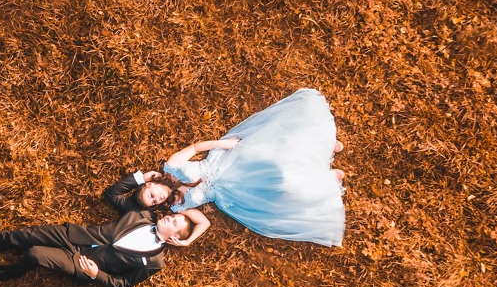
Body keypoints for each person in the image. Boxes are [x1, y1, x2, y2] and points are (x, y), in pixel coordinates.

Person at [104, 88, 346, 247]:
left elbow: (197, 147)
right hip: (232, 192)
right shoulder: (179, 206)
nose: (157, 198)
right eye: (155, 202)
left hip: (226, 163)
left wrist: (222, 144)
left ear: (151, 183)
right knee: (280, 186)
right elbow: (203, 223)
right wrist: (188, 241)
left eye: (151, 194)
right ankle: (324, 179)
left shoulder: (172, 164)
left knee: (275, 158)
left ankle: (322, 145)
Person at [0, 206, 210, 287]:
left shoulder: (155, 263)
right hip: (72, 235)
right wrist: (138, 179)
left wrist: (95, 273)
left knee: (34, 254)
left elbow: (123, 284)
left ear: (173, 238)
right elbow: (111, 195)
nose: (171, 216)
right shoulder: (142, 215)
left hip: (82, 261)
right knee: (17, 236)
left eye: (174, 221)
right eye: (174, 214)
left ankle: (8, 273)